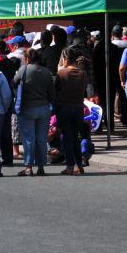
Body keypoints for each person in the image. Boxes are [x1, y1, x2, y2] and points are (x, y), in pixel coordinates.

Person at [13, 47, 55, 177]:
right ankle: (41, 166)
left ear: (26, 58)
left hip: (27, 108)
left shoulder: (23, 70)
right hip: (43, 108)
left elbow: (13, 83)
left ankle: (29, 167)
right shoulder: (46, 72)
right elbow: (52, 93)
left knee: (28, 139)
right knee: (42, 138)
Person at [55, 46, 88, 175]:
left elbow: (56, 90)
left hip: (64, 108)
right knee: (76, 137)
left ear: (65, 59)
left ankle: (70, 165)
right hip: (78, 108)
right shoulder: (83, 74)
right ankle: (79, 164)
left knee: (67, 138)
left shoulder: (61, 73)